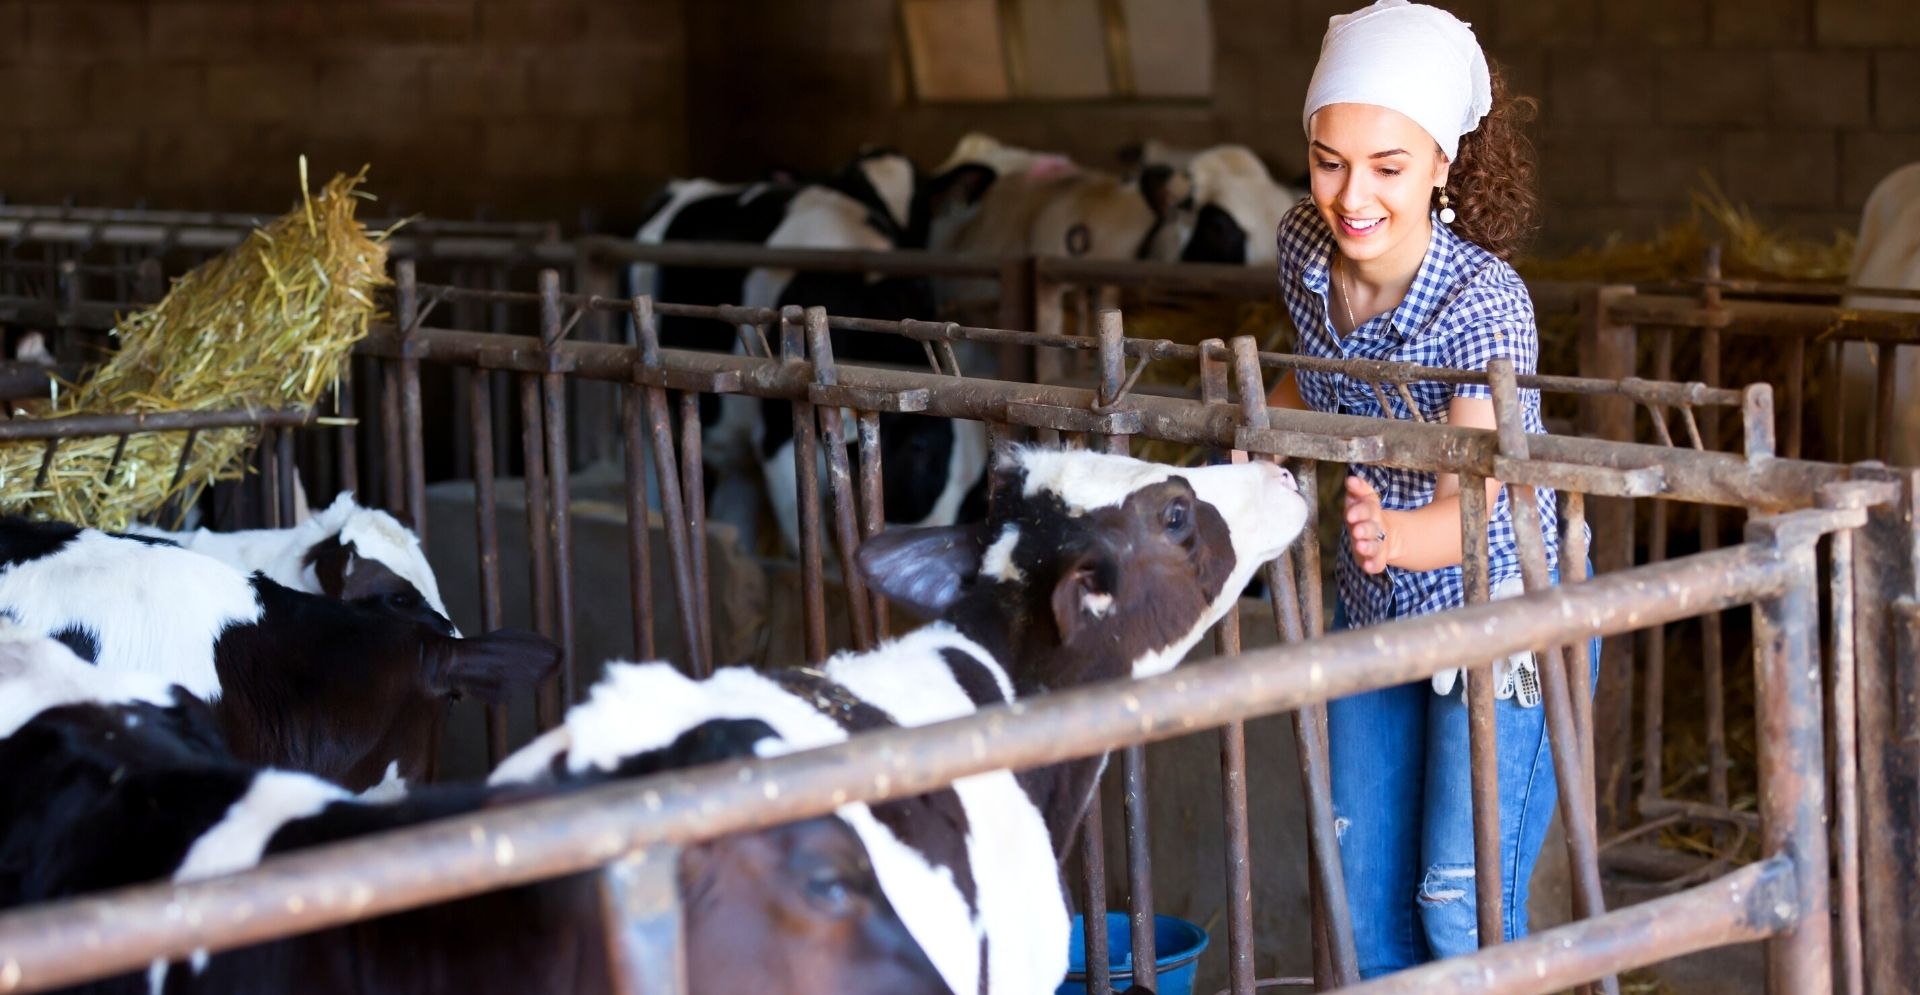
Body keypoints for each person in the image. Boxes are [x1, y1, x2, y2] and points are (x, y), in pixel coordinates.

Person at [1263, 0, 1587, 976]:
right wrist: (1261, 440)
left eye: (1388, 167)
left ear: (1443, 162)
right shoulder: (1305, 250)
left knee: (1460, 901)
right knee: (1361, 903)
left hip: (1497, 614)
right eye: (1329, 159)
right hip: (1376, 606)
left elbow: (1491, 489)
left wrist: (1396, 535)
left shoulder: (1482, 301)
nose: (1350, 193)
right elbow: (1309, 369)